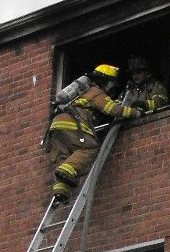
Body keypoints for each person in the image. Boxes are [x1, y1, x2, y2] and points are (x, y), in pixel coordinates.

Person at [44, 63, 141, 201]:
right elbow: (113, 110)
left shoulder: (78, 94)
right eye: (111, 83)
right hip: (72, 124)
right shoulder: (95, 92)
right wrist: (136, 112)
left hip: (55, 127)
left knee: (63, 157)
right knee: (88, 148)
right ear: (106, 81)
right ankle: (65, 172)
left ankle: (61, 190)